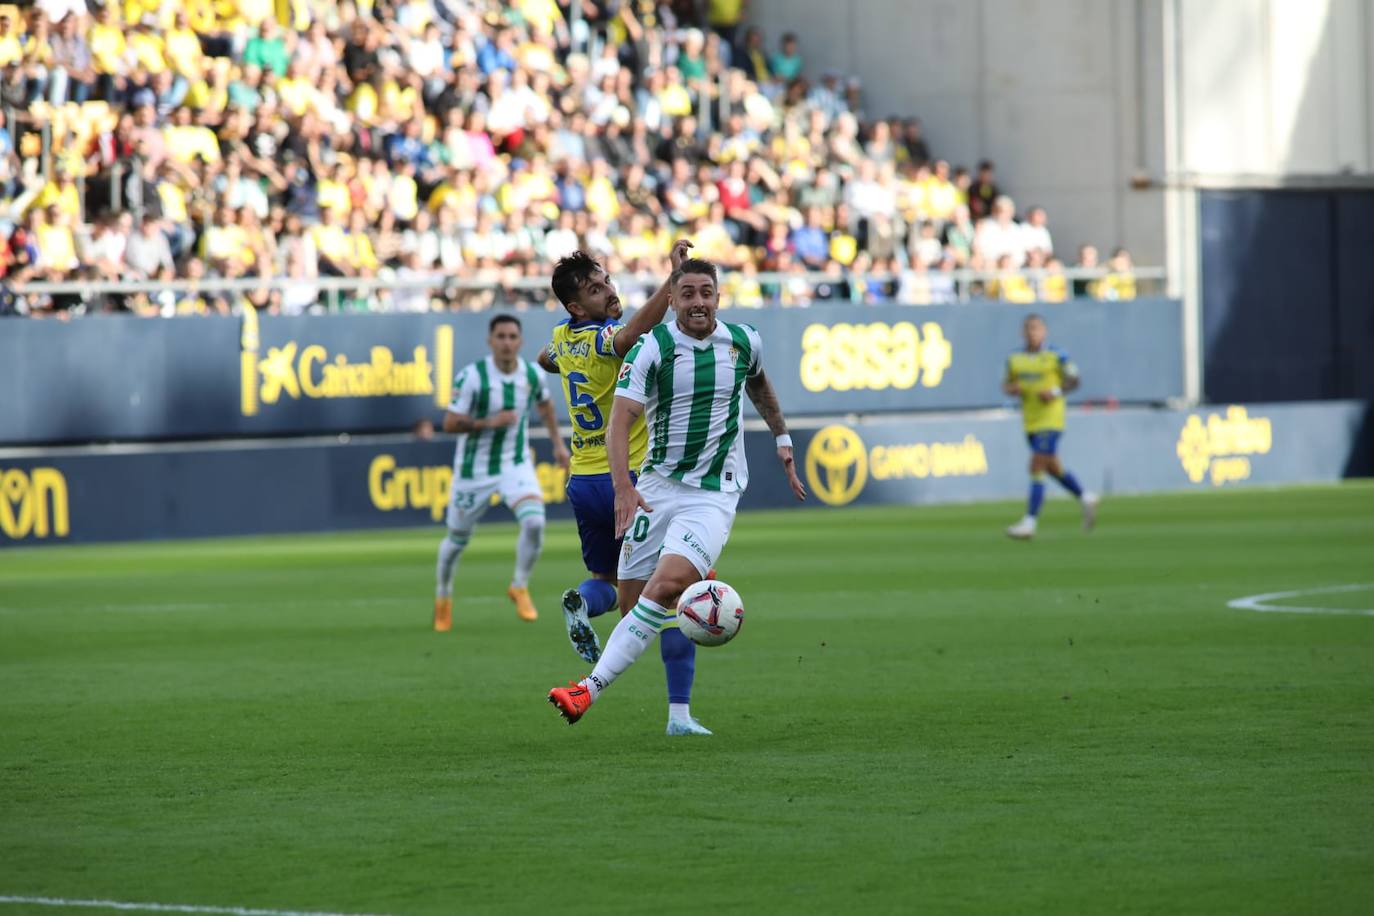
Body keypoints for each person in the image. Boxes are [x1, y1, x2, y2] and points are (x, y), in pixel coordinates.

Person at [548, 258, 807, 733]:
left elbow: (759, 382)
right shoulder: (652, 347)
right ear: (672, 299)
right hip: (655, 489)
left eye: (706, 293)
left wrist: (782, 439)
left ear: (718, 297)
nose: (698, 303)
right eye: (687, 294)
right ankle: (678, 714)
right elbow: (620, 419)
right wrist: (625, 488)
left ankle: (587, 690)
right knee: (636, 606)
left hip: (712, 495)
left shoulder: (744, 340)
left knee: (667, 588)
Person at [539, 239, 701, 732]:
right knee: (673, 595)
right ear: (575, 306)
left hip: (582, 482)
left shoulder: (563, 338)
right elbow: (630, 334)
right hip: (626, 480)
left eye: (607, 280)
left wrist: (562, 358)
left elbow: (547, 359)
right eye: (594, 288)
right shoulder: (600, 337)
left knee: (608, 584)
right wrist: (672, 284)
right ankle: (680, 714)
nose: (608, 290)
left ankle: (583, 604)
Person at [433, 315, 571, 632]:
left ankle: (519, 585)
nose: (507, 342)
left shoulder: (531, 374)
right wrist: (487, 423)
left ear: (520, 342)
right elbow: (450, 423)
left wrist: (558, 446)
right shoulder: (473, 377)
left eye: (512, 337)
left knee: (535, 521)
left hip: (515, 463)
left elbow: (546, 407)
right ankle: (443, 597)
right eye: (501, 337)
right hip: (473, 470)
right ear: (490, 341)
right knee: (455, 542)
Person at [1002, 314, 1098, 540]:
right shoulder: (1015, 359)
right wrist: (1012, 389)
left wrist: (1054, 392)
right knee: (1052, 467)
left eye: (1036, 329)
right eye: (1028, 329)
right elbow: (1007, 384)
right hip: (1031, 420)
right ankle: (1085, 496)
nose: (1032, 333)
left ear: (1044, 332)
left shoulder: (1057, 355)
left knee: (1036, 465)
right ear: (1022, 333)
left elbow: (1075, 380)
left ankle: (1029, 521)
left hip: (1052, 418)